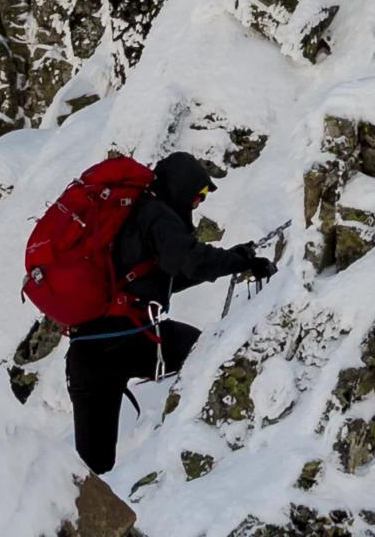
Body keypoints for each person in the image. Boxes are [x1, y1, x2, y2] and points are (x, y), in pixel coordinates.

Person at [58, 152, 271, 482]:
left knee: (92, 472)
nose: (197, 204)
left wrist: (235, 260)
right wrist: (240, 261)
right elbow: (192, 262)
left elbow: (168, 277)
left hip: (86, 355)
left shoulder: (127, 219)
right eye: (197, 196)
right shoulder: (155, 214)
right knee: (210, 353)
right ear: (181, 187)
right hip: (132, 340)